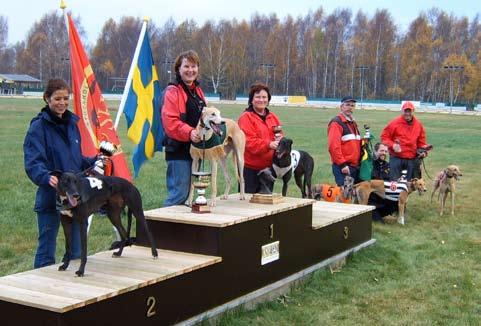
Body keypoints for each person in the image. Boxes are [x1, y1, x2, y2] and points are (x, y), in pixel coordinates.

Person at [23, 78, 96, 268]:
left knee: (77, 253)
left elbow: (76, 160)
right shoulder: (38, 128)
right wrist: (46, 177)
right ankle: (40, 290)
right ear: (47, 98)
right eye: (57, 98)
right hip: (50, 197)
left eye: (65, 98)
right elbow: (33, 162)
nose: (62, 103)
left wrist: (95, 161)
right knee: (46, 249)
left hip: (75, 200)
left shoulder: (72, 124)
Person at [161, 50, 206, 206]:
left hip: (196, 150)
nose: (190, 70)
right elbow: (170, 122)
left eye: (193, 66)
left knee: (189, 196)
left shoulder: (197, 91)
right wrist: (190, 132)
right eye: (186, 66)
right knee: (179, 194)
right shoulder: (172, 91)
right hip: (179, 151)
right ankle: (158, 228)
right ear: (178, 69)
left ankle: (180, 230)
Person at [238, 83, 283, 194]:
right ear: (251, 100)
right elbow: (249, 142)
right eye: (257, 97)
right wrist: (269, 144)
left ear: (268, 99)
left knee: (266, 204)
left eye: (264, 97)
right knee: (248, 205)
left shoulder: (273, 117)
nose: (261, 100)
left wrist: (281, 142)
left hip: (269, 169)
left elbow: (280, 135)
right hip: (250, 170)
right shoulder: (245, 117)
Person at [381, 101, 429, 181]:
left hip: (411, 158)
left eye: (409, 111)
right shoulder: (394, 123)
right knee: (394, 183)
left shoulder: (418, 125)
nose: (407, 113)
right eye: (405, 111)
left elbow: (421, 143)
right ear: (402, 111)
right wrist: (393, 145)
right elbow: (384, 137)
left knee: (410, 184)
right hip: (396, 157)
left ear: (413, 111)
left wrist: (424, 152)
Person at [327, 96, 362, 186]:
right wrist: (342, 164)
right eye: (347, 105)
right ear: (341, 106)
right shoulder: (336, 123)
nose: (350, 107)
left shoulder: (353, 123)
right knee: (344, 196)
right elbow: (333, 147)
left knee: (353, 195)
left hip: (354, 166)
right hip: (343, 167)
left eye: (352, 105)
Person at [368, 142, 398, 221]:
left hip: (384, 199)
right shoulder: (368, 165)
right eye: (381, 151)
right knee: (379, 222)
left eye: (385, 151)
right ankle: (373, 215)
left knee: (398, 201)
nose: (384, 153)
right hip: (371, 201)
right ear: (375, 151)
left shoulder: (388, 166)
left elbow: (393, 181)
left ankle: (383, 214)